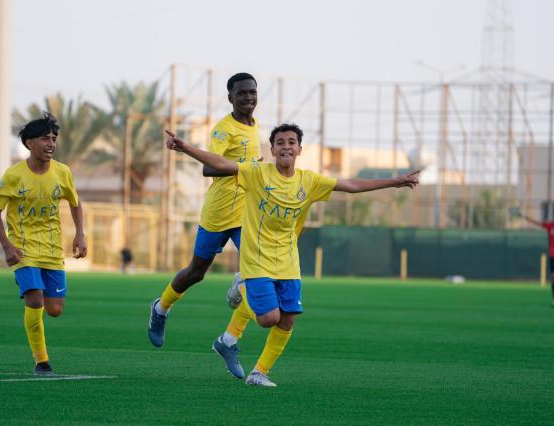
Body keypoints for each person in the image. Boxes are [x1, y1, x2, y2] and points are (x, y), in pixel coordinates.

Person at [165, 123, 420, 386]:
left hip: (288, 261)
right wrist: (185, 148)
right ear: (272, 149)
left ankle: (259, 373)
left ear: (299, 149)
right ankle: (241, 287)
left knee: (287, 320)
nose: (286, 147)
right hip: (257, 259)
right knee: (268, 319)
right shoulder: (256, 173)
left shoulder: (309, 181)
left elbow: (351, 184)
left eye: (291, 142)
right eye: (280, 143)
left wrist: (397, 181)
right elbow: (221, 163)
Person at [147, 72, 261, 369]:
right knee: (196, 272)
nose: (248, 97)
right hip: (218, 212)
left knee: (259, 272)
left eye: (252, 92)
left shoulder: (255, 125)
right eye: (241, 93)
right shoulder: (224, 129)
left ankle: (229, 339)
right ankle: (161, 307)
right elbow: (208, 169)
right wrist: (245, 167)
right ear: (230, 97)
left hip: (245, 213)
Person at [0, 112, 87, 375]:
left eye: (53, 138)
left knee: (54, 310)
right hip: (23, 249)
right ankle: (42, 361)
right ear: (30, 143)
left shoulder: (63, 172)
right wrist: (7, 246)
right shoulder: (14, 175)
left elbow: (75, 203)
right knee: (34, 300)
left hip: (52, 248)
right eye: (45, 138)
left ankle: (34, 288)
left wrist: (80, 234)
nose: (51, 143)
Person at [521, 213, 554, 305]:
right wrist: (527, 217)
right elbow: (538, 223)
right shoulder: (550, 225)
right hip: (552, 255)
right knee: (553, 278)